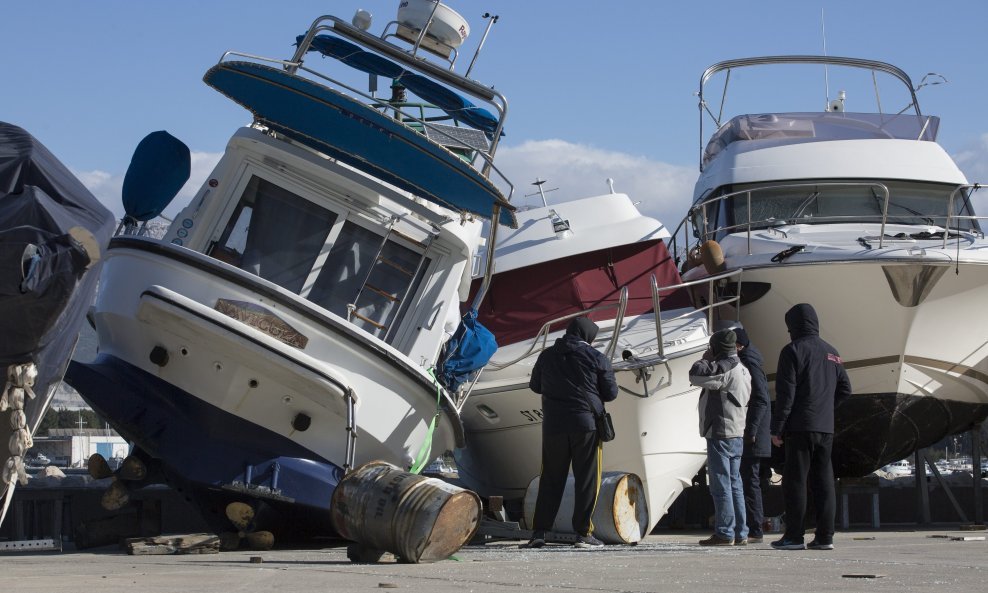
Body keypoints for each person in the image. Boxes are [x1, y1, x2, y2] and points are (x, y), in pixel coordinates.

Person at [524, 317, 618, 549]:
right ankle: (583, 533)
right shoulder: (597, 358)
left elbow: (536, 386)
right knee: (586, 480)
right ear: (589, 336)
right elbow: (611, 393)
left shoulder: (547, 355)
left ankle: (539, 532)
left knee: (551, 479)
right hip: (585, 425)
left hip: (554, 426)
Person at [770, 303, 852, 551]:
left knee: (795, 481)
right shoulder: (832, 352)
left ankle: (794, 536)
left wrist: (777, 428)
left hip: (799, 427)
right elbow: (846, 389)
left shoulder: (793, 350)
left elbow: (786, 394)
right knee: (824, 481)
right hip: (825, 428)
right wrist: (826, 409)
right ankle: (825, 537)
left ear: (793, 326)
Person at [689, 329, 751, 546]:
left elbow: (695, 375)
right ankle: (741, 532)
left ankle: (725, 532)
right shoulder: (744, 368)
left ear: (716, 348)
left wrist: (704, 359)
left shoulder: (725, 367)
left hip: (721, 432)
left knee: (721, 484)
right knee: (735, 483)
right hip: (736, 432)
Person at [734, 324, 771, 544]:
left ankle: (754, 528)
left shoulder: (749, 362)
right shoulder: (751, 359)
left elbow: (760, 398)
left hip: (752, 432)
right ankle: (751, 526)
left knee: (749, 480)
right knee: (750, 479)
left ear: (738, 345)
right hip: (755, 430)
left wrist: (752, 429)